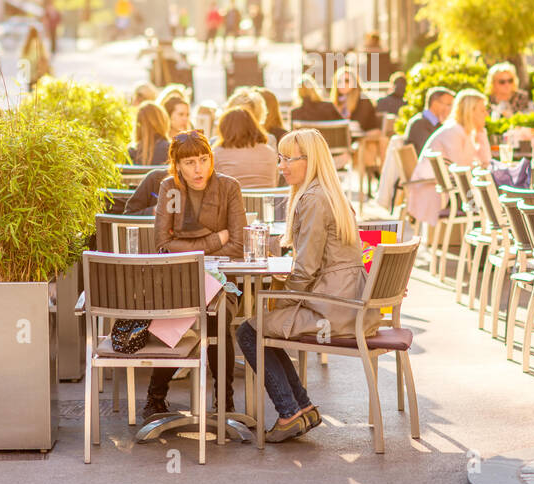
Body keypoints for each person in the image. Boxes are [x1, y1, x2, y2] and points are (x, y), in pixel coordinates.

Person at [236, 129, 380, 442]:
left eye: (288, 159)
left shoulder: (312, 199)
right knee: (266, 326)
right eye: (280, 158)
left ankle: (289, 412)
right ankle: (301, 408)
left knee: (249, 330)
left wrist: (281, 302)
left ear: (309, 160)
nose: (281, 165)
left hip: (333, 307)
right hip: (349, 302)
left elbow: (306, 269)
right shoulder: (329, 192)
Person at [147, 130, 246, 417]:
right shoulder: (170, 188)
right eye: (190, 162)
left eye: (204, 159)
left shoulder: (229, 187)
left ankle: (224, 401)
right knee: (178, 311)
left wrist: (188, 247)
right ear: (177, 165)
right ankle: (156, 396)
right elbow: (163, 246)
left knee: (217, 316)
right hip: (179, 282)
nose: (199, 168)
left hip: (223, 282)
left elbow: (238, 247)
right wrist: (216, 240)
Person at [406, 89, 491, 225]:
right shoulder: (453, 132)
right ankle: (484, 242)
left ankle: (483, 242)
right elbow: (463, 171)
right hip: (438, 193)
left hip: (448, 190)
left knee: (490, 199)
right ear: (470, 111)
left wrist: (481, 132)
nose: (486, 114)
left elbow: (486, 162)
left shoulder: (464, 132)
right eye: (482, 110)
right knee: (492, 200)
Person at [213, 106, 278, 187]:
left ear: (223, 128)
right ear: (254, 126)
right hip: (266, 199)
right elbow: (275, 183)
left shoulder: (218, 153)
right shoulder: (270, 152)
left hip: (232, 199)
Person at [403, 87, 453, 157]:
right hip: (425, 166)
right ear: (435, 104)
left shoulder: (437, 124)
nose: (451, 109)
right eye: (448, 104)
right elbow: (431, 151)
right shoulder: (419, 123)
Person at [330, 66, 379, 131]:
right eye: (339, 81)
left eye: (347, 81)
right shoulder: (336, 101)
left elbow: (359, 124)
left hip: (365, 136)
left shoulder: (363, 99)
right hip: (345, 135)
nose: (342, 84)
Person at [19, 26, 51, 91]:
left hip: (29, 73)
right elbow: (44, 56)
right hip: (37, 72)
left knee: (30, 90)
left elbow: (22, 58)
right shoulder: (39, 43)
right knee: (37, 91)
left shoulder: (26, 45)